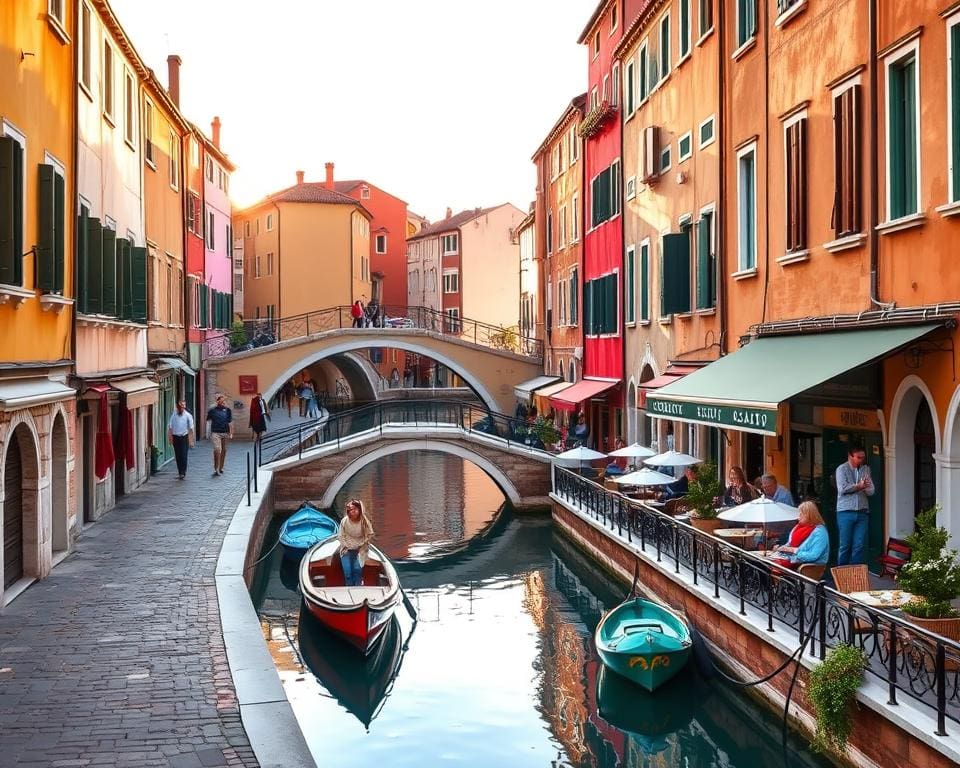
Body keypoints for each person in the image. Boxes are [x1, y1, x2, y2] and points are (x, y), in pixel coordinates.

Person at [835, 446, 874, 565]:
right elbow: (842, 489)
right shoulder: (842, 469)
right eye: (858, 457)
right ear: (850, 456)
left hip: (862, 511)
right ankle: (842, 575)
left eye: (863, 458)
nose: (861, 460)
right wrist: (859, 487)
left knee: (859, 545)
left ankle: (855, 575)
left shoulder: (865, 470)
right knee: (845, 545)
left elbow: (871, 491)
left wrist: (865, 487)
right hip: (845, 511)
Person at [769, 501, 830, 570]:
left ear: (808, 515)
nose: (798, 517)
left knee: (772, 568)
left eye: (801, 514)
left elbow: (813, 556)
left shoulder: (820, 532)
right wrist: (782, 548)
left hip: (807, 567)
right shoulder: (797, 527)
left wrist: (794, 550)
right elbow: (789, 544)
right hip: (792, 560)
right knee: (766, 563)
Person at [338, 498, 375, 587]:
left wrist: (361, 544)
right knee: (347, 572)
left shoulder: (364, 521)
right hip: (346, 548)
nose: (352, 512)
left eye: (355, 509)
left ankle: (358, 587)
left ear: (359, 509)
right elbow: (341, 536)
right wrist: (346, 546)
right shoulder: (344, 521)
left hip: (360, 548)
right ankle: (349, 588)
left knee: (357, 570)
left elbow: (369, 534)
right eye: (350, 510)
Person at [167, 400, 194, 480]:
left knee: (183, 454)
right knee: (178, 455)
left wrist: (191, 441)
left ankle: (183, 472)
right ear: (177, 406)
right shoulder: (174, 415)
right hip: (175, 437)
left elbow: (191, 429)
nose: (182, 407)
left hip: (184, 437)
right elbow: (170, 427)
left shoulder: (188, 415)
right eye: (180, 406)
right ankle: (180, 472)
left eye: (183, 406)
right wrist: (170, 438)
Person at [206, 394, 233, 476]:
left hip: (225, 433)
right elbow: (208, 421)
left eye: (223, 401)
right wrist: (208, 434)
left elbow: (230, 423)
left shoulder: (228, 410)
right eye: (220, 401)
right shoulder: (212, 410)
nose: (222, 402)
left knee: (224, 450)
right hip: (215, 433)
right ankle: (216, 469)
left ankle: (221, 467)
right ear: (217, 401)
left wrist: (231, 433)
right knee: (217, 449)